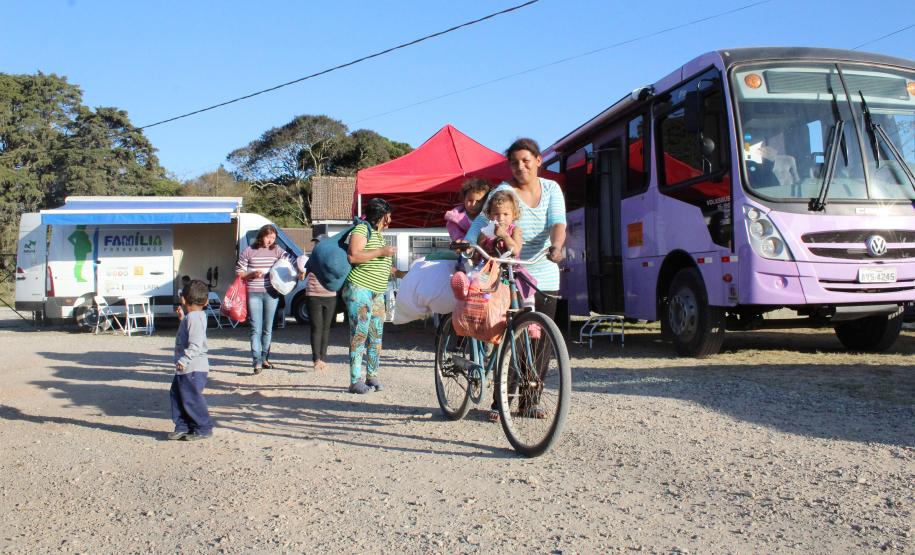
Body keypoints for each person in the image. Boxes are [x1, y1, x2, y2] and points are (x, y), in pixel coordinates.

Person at [464, 137, 567, 421]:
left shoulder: (551, 188)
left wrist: (557, 247)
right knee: (512, 340)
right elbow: (480, 222)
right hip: (511, 273)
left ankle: (530, 402)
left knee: (541, 341)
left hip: (543, 270)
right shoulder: (503, 191)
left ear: (538, 161)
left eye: (526, 160)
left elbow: (558, 223)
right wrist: (468, 244)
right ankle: (502, 401)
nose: (520, 167)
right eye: (514, 163)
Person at [343, 198, 405, 394]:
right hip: (360, 289)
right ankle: (355, 381)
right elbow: (353, 256)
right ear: (383, 216)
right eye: (389, 215)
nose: (391, 220)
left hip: (377, 293)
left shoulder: (379, 235)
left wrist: (400, 273)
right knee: (359, 335)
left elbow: (378, 264)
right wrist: (381, 251)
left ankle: (372, 375)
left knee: (376, 336)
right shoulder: (362, 229)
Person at [236, 224, 297, 374]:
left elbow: (292, 260)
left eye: (273, 238)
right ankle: (256, 361)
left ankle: (264, 359)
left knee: (268, 328)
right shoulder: (248, 251)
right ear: (261, 236)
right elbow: (239, 272)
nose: (270, 240)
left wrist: (300, 268)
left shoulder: (277, 250)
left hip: (272, 294)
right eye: (268, 237)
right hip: (253, 293)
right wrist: (251, 274)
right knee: (255, 328)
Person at [168, 279, 213, 441]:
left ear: (183, 299)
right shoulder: (193, 317)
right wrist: (182, 318)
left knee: (191, 398)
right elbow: (191, 334)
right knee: (178, 395)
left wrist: (184, 360)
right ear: (206, 301)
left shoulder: (194, 318)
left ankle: (203, 427)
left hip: (193, 367)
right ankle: (183, 426)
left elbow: (195, 344)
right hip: (187, 367)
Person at [304, 234, 337, 371]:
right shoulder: (310, 259)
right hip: (313, 294)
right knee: (316, 327)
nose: (316, 245)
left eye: (319, 243)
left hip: (330, 295)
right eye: (315, 243)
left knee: (326, 328)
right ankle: (316, 359)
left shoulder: (334, 258)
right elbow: (302, 275)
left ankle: (323, 358)